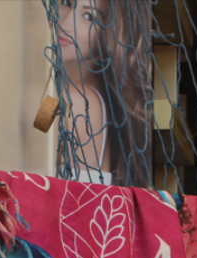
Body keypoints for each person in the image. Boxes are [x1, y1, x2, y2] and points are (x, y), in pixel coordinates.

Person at [57, 0, 153, 188]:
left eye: (89, 16)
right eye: (67, 3)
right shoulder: (91, 94)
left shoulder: (76, 100)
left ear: (111, 35)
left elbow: (33, 140)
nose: (66, 22)